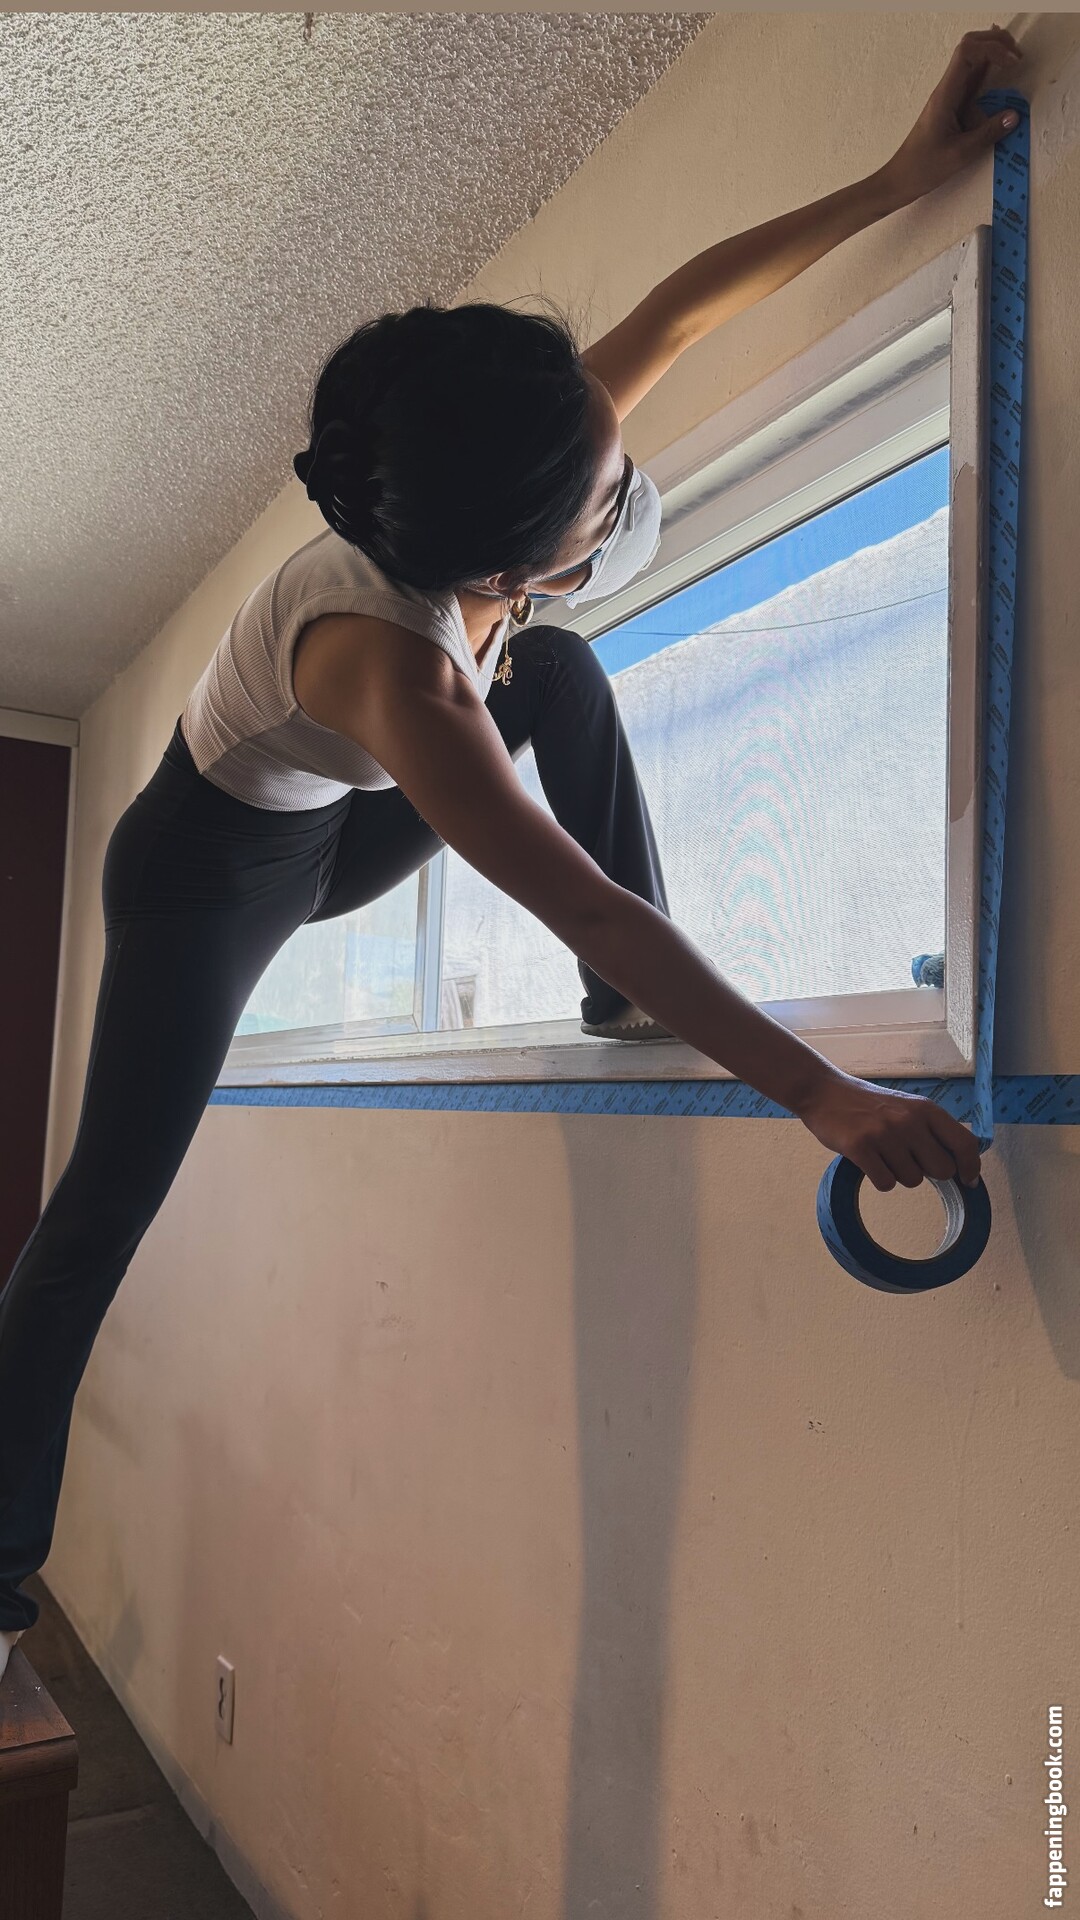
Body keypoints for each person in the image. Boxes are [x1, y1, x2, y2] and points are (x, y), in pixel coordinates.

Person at [0, 25, 1023, 1678]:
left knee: (557, 670)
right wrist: (818, 1092)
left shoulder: (516, 449)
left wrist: (899, 176)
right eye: (602, 507)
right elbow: (587, 904)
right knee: (98, 1218)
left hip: (334, 818)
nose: (622, 496)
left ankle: (627, 1025)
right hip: (204, 876)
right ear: (499, 559)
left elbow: (689, 302)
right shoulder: (393, 668)